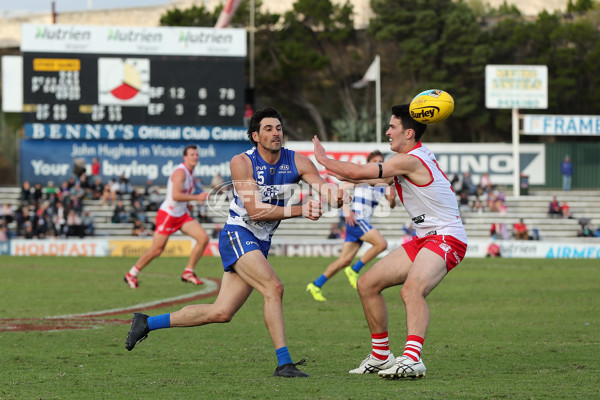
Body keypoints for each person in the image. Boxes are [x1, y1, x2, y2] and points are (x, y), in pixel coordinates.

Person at [124, 108, 348, 378]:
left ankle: (147, 323)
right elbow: (254, 211)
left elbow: (323, 188)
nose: (276, 133)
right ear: (255, 135)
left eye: (278, 128)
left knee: (221, 312)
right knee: (273, 287)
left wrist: (335, 194)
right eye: (268, 129)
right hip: (237, 233)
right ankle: (284, 363)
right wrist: (300, 210)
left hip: (259, 242)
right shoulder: (241, 162)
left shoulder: (298, 162)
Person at [311, 104, 467, 379]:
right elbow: (355, 176)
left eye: (392, 127)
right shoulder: (405, 162)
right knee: (367, 283)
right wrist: (332, 178)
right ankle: (382, 355)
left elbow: (358, 172)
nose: (387, 132)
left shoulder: (411, 159)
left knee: (411, 291)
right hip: (425, 238)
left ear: (408, 132)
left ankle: (412, 358)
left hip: (447, 238)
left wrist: (324, 159)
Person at [307, 150, 396, 302]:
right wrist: (346, 210)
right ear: (368, 163)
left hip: (362, 222)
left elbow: (392, 204)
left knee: (344, 260)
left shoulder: (382, 183)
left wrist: (392, 196)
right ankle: (354, 270)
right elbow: (340, 190)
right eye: (374, 161)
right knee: (381, 244)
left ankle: (316, 285)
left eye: (380, 161)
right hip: (356, 220)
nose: (378, 163)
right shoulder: (363, 177)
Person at [123, 144, 210, 289]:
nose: (195, 157)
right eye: (192, 155)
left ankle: (188, 272)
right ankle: (131, 273)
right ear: (185, 157)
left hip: (181, 214)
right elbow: (175, 196)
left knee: (203, 238)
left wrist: (188, 204)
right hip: (169, 214)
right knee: (157, 250)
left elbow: (182, 194)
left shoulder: (191, 172)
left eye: (196, 154)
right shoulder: (180, 172)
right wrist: (196, 198)